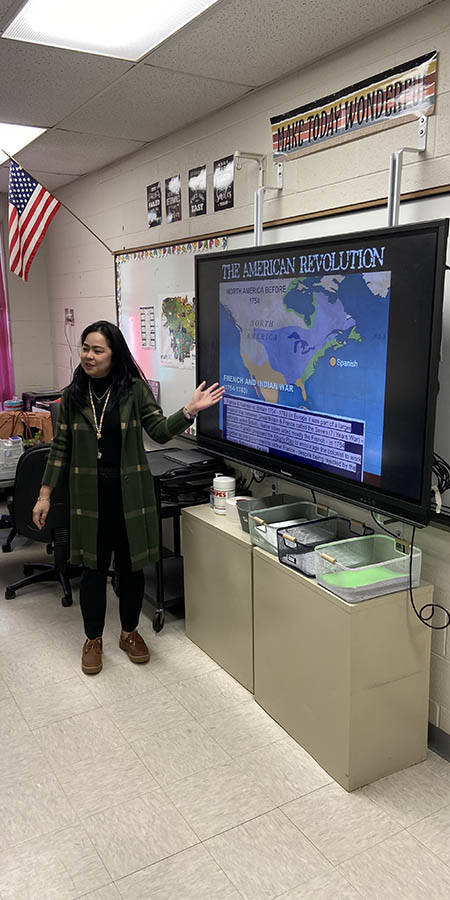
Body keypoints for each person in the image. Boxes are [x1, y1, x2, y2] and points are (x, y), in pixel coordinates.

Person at [32, 320, 224, 675]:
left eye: (97, 350)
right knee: (91, 569)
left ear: (114, 354)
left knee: (132, 567)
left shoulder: (134, 390)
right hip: (89, 496)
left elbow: (159, 431)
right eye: (85, 348)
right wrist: (44, 494)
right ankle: (93, 638)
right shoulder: (73, 394)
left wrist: (189, 411)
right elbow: (60, 447)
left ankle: (130, 632)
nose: (88, 356)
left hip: (130, 494)